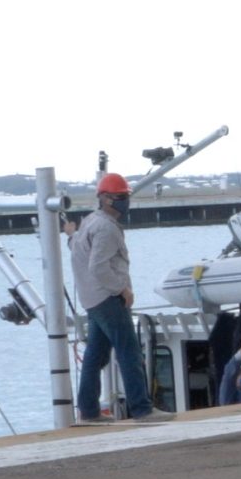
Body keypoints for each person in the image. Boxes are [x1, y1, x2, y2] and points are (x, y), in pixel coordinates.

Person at [69, 172, 158, 422]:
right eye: (120, 197)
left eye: (125, 196)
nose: (124, 201)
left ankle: (88, 412)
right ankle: (142, 409)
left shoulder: (89, 222)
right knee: (129, 352)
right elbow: (98, 268)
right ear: (105, 199)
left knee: (95, 356)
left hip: (92, 300)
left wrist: (68, 234)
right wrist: (123, 289)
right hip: (108, 299)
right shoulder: (107, 228)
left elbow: (76, 247)